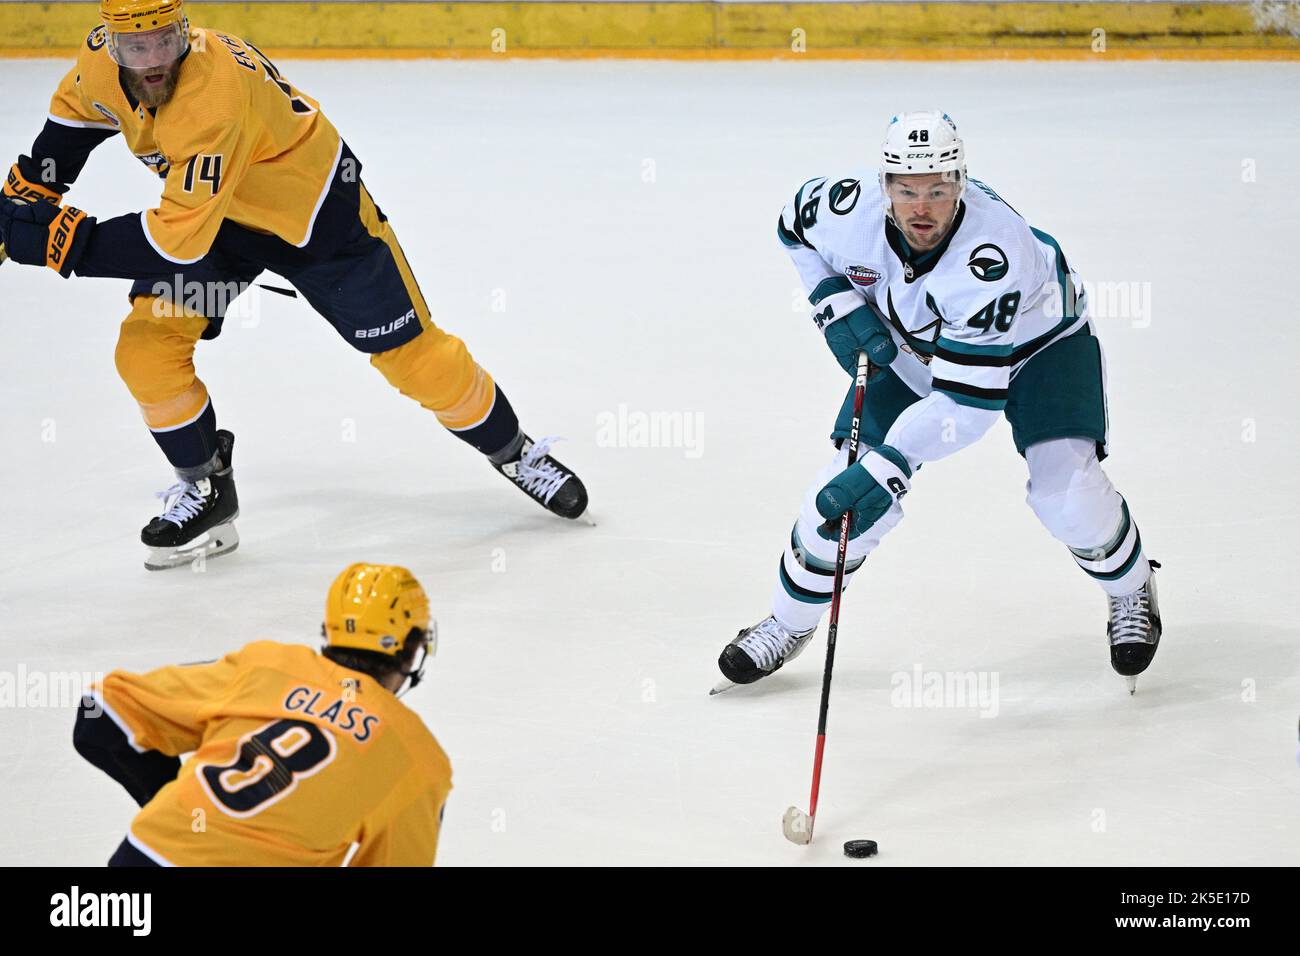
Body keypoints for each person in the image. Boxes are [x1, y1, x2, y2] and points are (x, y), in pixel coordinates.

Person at [0, 0, 588, 570]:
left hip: (315, 220)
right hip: (220, 224)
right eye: (137, 45)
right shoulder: (99, 68)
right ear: (110, 41)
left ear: (183, 30)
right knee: (145, 351)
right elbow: (65, 139)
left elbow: (173, 242)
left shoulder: (214, 100)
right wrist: (21, 201)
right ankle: (206, 488)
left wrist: (57, 242)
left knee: (414, 359)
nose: (154, 59)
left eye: (166, 40)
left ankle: (515, 453)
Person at [715, 111, 1160, 694]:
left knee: (1065, 492)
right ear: (884, 186)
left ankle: (1131, 590)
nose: (921, 208)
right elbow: (793, 225)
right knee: (840, 493)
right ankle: (786, 621)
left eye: (937, 191)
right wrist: (833, 301)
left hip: (1041, 343)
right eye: (906, 191)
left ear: (961, 184)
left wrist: (889, 467)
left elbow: (964, 409)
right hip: (914, 341)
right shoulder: (846, 208)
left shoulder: (993, 259)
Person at [73, 562, 452, 865]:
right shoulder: (417, 758)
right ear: (414, 646)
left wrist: (181, 814)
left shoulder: (269, 666)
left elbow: (99, 716)